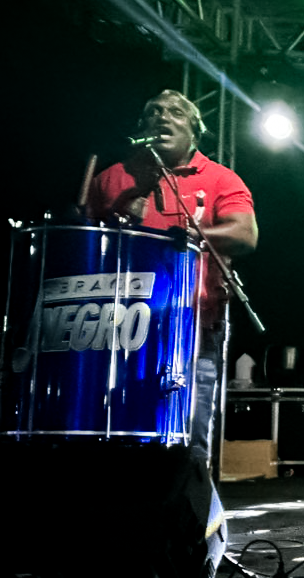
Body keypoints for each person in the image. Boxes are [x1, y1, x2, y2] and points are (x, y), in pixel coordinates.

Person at [87, 90, 258, 465]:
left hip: (192, 324)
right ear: (142, 128)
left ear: (194, 131)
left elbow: (245, 233)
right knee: (113, 433)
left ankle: (191, 520)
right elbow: (84, 239)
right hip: (117, 329)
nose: (163, 117)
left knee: (188, 438)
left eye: (176, 113)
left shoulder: (219, 178)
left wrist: (198, 234)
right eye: (154, 112)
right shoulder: (112, 178)